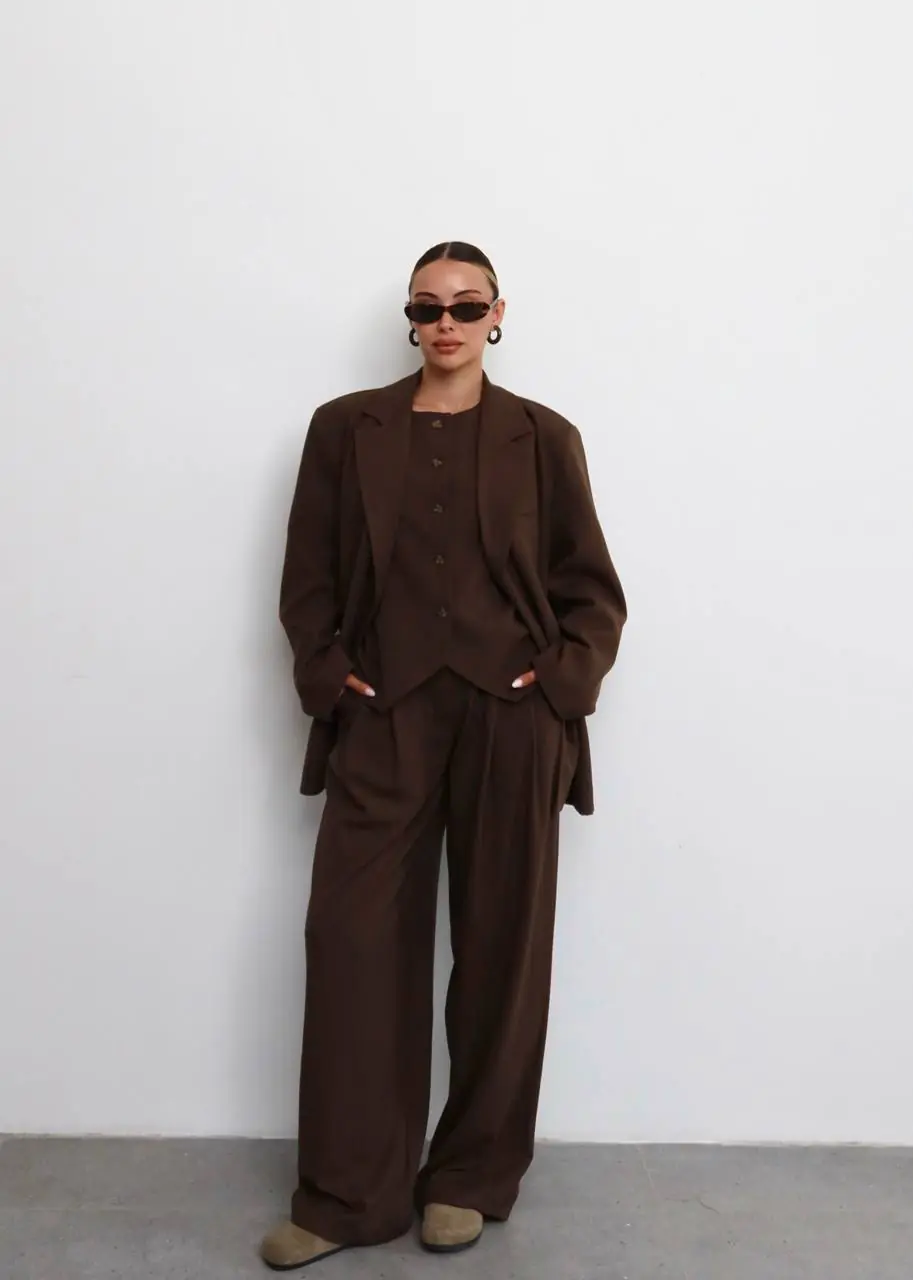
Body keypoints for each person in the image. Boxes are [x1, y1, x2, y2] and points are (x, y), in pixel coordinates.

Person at [260, 242, 627, 1271]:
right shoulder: (345, 429)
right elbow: (307, 577)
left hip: (512, 719)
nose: (446, 323)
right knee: (352, 941)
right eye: (427, 308)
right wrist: (328, 672)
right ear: (410, 320)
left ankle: (469, 1175)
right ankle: (348, 1192)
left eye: (466, 306)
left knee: (502, 949)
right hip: (384, 716)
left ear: (498, 313)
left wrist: (560, 683)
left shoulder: (542, 437)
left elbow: (591, 589)